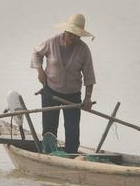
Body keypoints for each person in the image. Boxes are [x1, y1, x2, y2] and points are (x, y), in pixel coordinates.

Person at [31, 14, 96, 153]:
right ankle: (49, 154)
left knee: (72, 131)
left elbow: (89, 76)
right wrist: (40, 71)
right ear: (66, 31)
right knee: (49, 128)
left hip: (72, 96)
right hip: (51, 91)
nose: (73, 38)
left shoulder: (83, 50)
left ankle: (71, 156)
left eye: (77, 36)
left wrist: (88, 97)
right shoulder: (52, 42)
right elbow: (36, 53)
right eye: (71, 34)